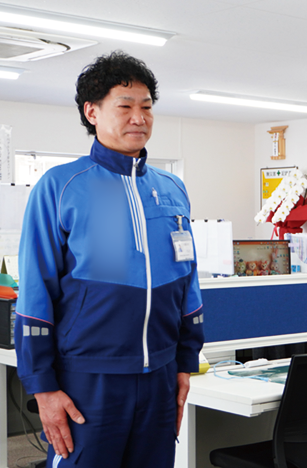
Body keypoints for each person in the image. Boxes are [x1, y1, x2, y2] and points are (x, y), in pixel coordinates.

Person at [15, 51, 205, 467]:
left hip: (160, 372)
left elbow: (188, 278)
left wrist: (184, 362)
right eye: (125, 106)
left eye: (147, 107)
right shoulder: (61, 186)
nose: (139, 118)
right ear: (93, 112)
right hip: (89, 377)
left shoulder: (172, 188)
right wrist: (43, 388)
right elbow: (35, 289)